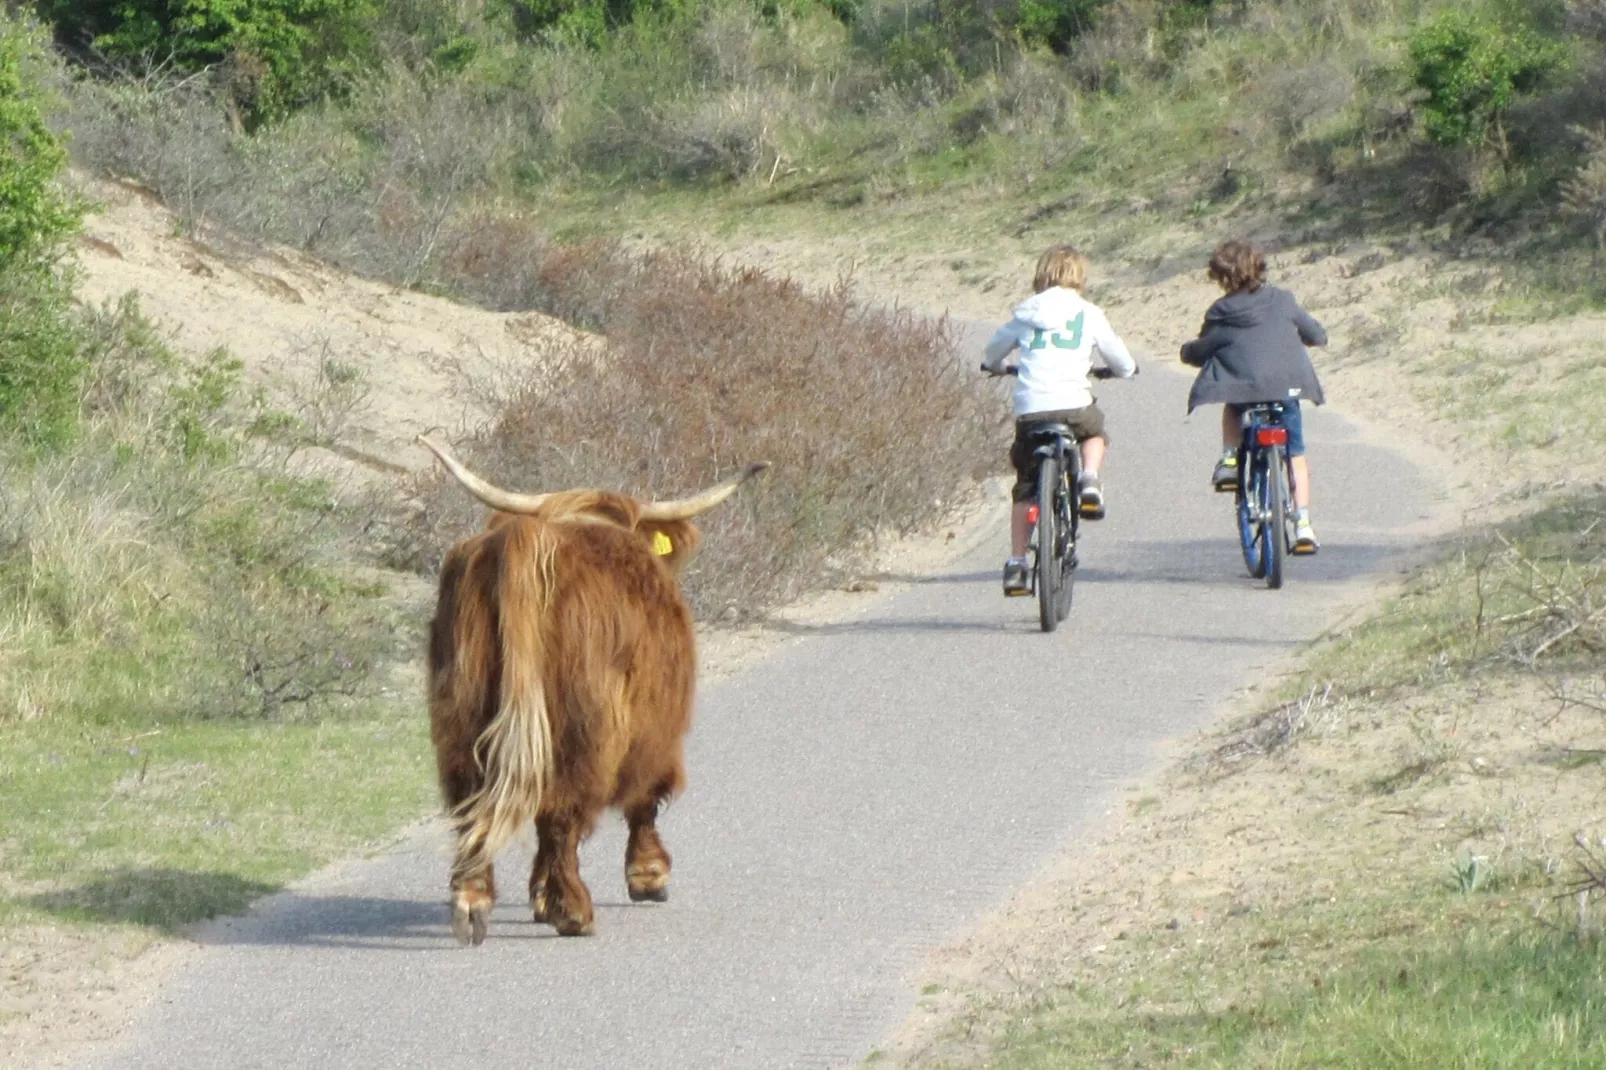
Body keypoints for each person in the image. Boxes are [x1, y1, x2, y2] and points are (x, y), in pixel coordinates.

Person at [982, 244, 1136, 596]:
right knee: (1095, 432)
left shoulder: (1025, 313)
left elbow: (991, 353)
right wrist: (1122, 370)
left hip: (1032, 412)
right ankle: (1090, 480)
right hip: (1074, 406)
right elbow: (1121, 360)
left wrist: (998, 366)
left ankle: (1017, 563)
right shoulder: (1089, 313)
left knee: (1025, 486)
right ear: (1080, 278)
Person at [1181, 239, 1327, 554]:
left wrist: (1188, 352)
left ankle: (1231, 460)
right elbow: (1316, 335)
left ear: (1221, 277)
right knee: (1296, 455)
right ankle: (1303, 524)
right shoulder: (1283, 300)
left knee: (1234, 405)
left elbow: (1204, 348)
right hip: (1286, 388)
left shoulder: (1221, 310)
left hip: (1245, 389)